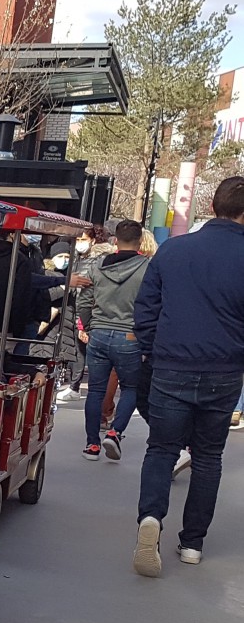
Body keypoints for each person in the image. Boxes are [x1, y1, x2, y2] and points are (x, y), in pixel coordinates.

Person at [131, 177, 244, 576]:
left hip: (171, 364)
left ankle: (151, 519)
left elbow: (146, 308)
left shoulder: (173, 250)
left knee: (161, 448)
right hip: (226, 369)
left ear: (213, 205)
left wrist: (152, 347)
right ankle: (192, 543)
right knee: (209, 456)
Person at [76, 219, 150, 461]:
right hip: (130, 335)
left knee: (96, 390)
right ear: (140, 241)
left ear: (115, 240)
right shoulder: (147, 268)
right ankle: (115, 432)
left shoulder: (97, 266)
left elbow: (84, 300)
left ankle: (91, 444)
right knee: (130, 388)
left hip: (98, 333)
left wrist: (88, 325)